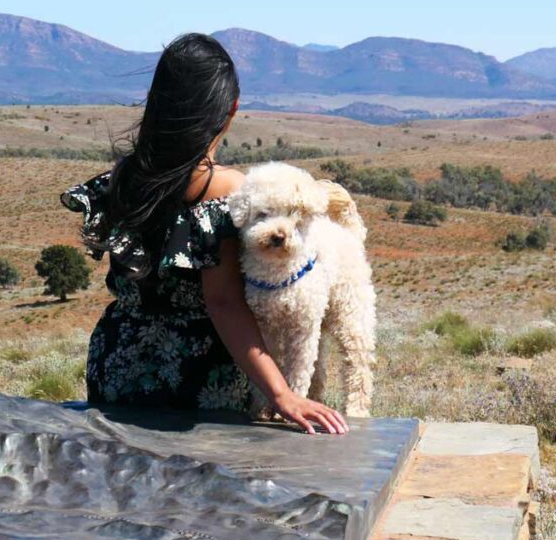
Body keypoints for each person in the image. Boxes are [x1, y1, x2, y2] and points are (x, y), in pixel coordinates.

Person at [61, 33, 348, 434]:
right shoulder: (225, 189)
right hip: (198, 376)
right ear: (230, 110)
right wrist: (283, 395)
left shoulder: (127, 175)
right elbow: (223, 303)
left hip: (116, 362)